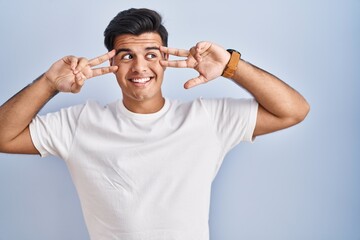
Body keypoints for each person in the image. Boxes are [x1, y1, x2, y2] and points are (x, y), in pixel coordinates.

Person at [0, 8, 309, 240]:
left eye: (151, 54)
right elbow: (3, 137)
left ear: (164, 59)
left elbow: (293, 110)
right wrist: (50, 83)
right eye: (126, 56)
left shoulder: (207, 119)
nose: (140, 67)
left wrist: (232, 65)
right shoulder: (79, 122)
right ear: (112, 64)